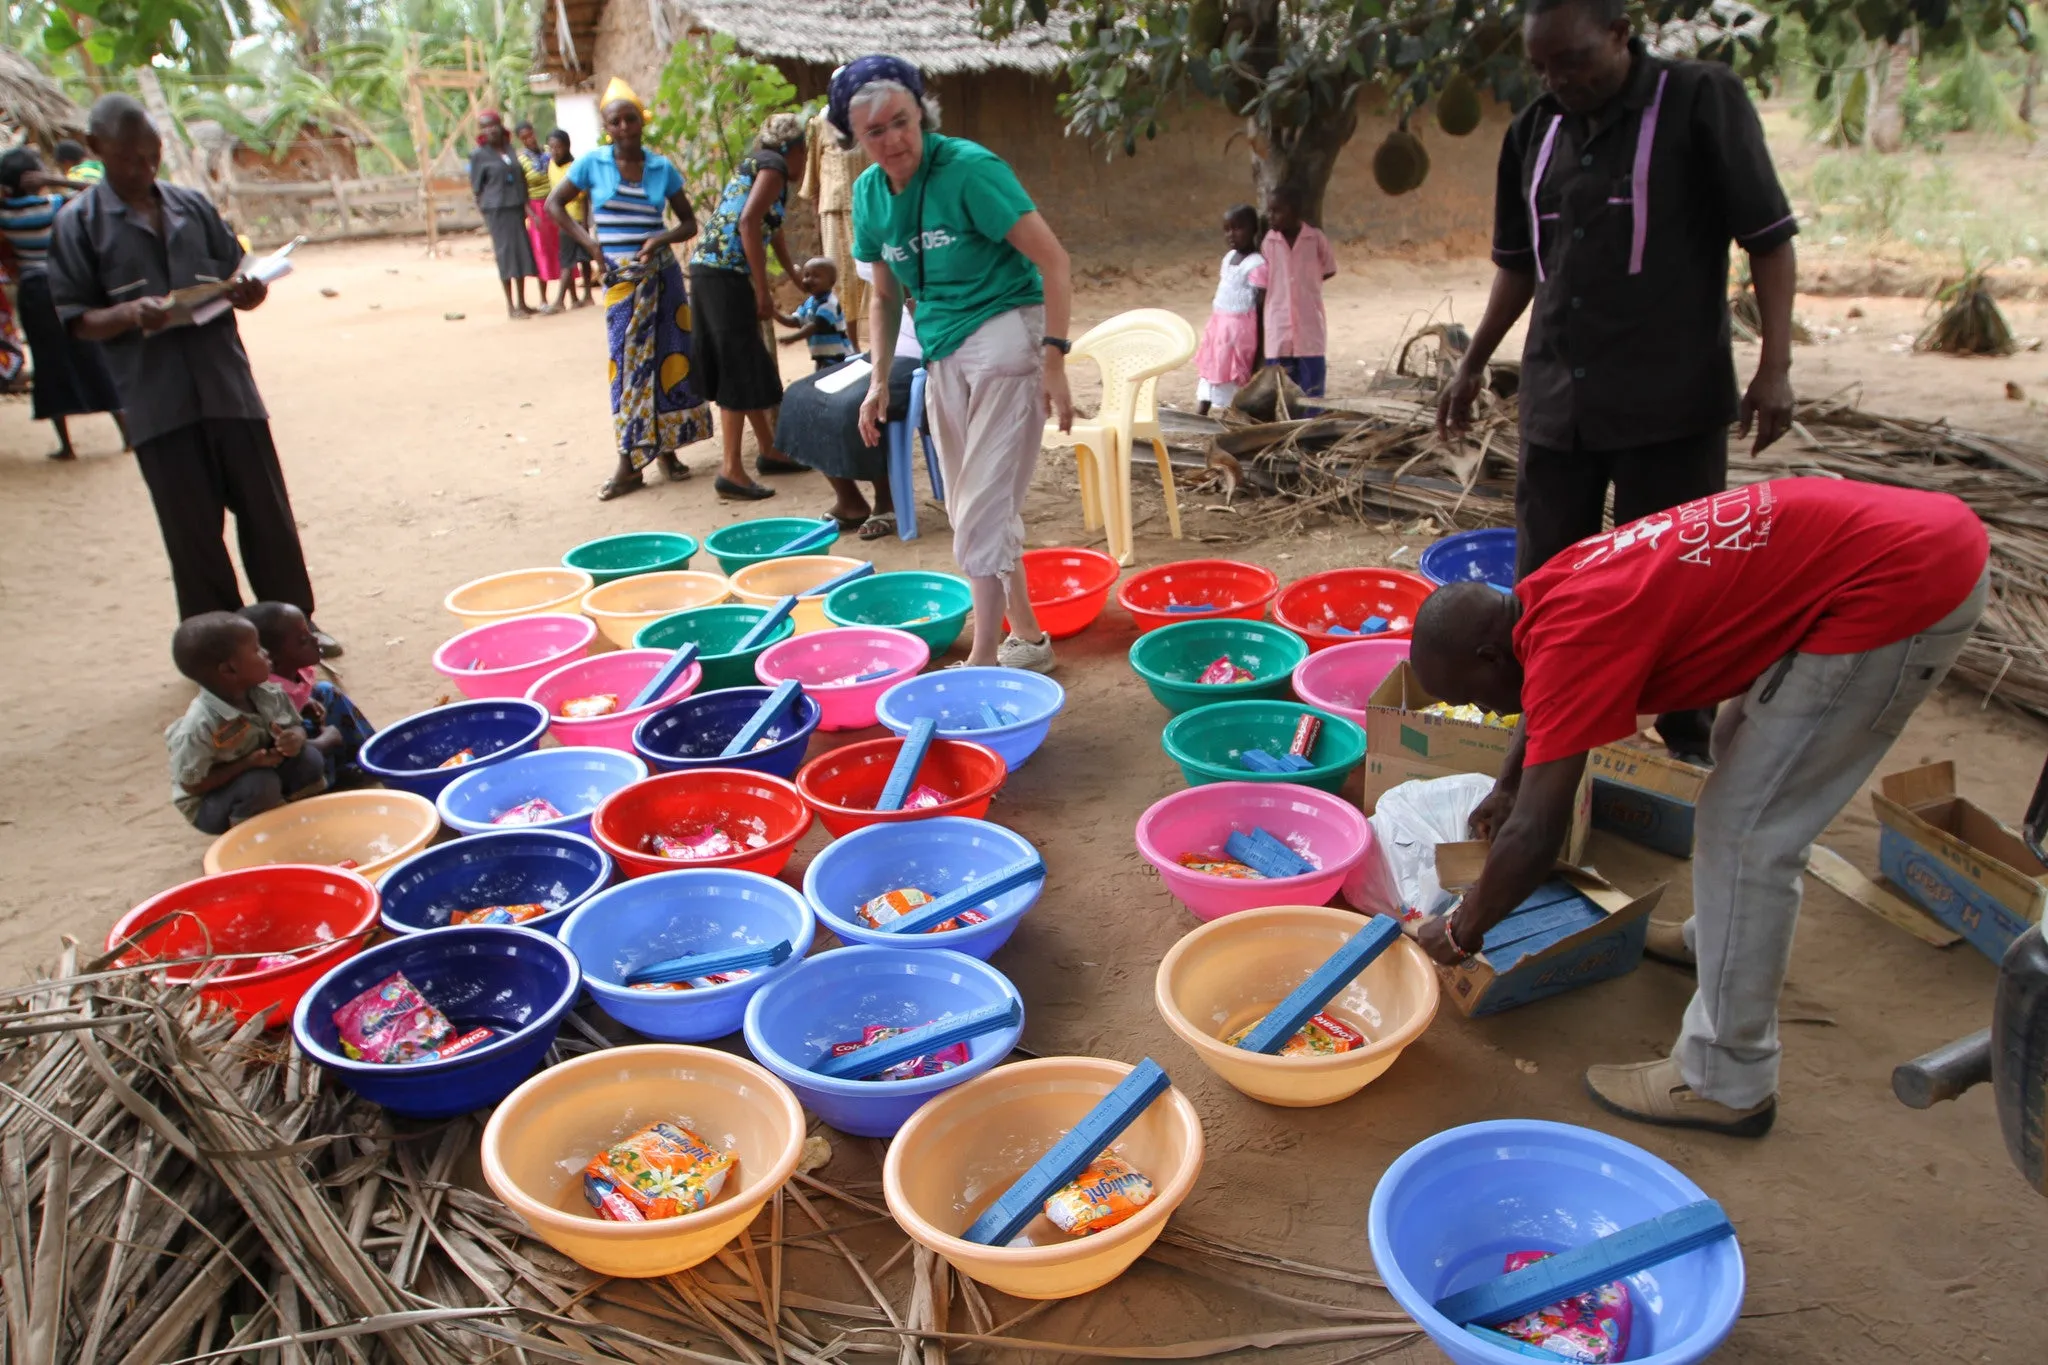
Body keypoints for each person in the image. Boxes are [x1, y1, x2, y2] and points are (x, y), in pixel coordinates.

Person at [1405, 478, 1989, 1137]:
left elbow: (1537, 833)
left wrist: (1461, 930)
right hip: (1892, 542)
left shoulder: (1573, 642)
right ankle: (1718, 934)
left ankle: (1726, 1077)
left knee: (1749, 833)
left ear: (1489, 654)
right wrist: (1509, 782)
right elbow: (1542, 706)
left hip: (1901, 583)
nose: (1486, 711)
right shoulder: (1544, 595)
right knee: (1735, 747)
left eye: (1476, 697)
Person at [1436, 0, 1799, 765]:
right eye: (1541, 66)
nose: (1557, 80)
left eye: (1572, 61)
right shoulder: (1534, 132)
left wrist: (1774, 367)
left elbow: (1767, 238)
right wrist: (1473, 363)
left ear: (1620, 36)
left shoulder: (1700, 101)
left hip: (1670, 400)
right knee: (1546, 581)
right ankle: (1549, 729)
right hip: (1558, 402)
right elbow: (1519, 266)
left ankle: (1685, 740)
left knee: (1677, 580)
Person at [51, 95, 339, 655]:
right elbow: (76, 319)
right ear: (96, 150)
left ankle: (294, 628)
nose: (144, 170)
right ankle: (223, 650)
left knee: (267, 516)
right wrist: (133, 314)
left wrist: (249, 292)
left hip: (227, 387)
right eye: (129, 159)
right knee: (193, 534)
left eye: (151, 157)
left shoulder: (191, 207)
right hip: (159, 402)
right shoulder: (78, 226)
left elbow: (235, 276)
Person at [840, 55, 1075, 672]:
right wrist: (876, 381)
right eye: (874, 132)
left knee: (976, 508)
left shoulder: (970, 170)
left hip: (1006, 336)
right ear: (854, 139)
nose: (892, 140)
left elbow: (1054, 262)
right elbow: (886, 295)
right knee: (979, 501)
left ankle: (985, 657)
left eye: (902, 122)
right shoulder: (868, 196)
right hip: (942, 345)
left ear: (922, 114)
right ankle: (1027, 637)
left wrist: (1053, 360)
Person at [548, 79, 713, 501]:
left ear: (642, 123)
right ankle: (629, 461)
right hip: (623, 284)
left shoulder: (661, 168)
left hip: (663, 279)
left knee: (669, 362)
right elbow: (554, 205)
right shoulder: (591, 164)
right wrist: (589, 244)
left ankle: (666, 451)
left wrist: (660, 239)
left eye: (630, 119)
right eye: (615, 121)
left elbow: (689, 223)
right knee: (625, 370)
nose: (623, 127)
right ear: (606, 127)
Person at [688, 110, 814, 501]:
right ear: (793, 149)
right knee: (736, 366)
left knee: (744, 361)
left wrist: (793, 276)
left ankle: (769, 450)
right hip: (723, 274)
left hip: (713, 271)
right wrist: (762, 290)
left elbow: (768, 229)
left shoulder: (767, 168)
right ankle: (731, 469)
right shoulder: (774, 167)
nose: (806, 161)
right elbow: (747, 224)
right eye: (805, 153)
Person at [774, 257, 915, 538]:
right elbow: (884, 306)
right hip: (880, 353)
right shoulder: (887, 260)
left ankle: (886, 502)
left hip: (918, 355)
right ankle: (849, 501)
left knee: (853, 406)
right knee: (800, 397)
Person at [0, 146, 126, 459]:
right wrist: (57, 180)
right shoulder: (56, 204)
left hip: (34, 295)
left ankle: (67, 446)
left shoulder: (5, 214)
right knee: (92, 356)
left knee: (49, 364)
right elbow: (99, 191)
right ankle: (129, 434)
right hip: (68, 287)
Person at [166, 611, 332, 835]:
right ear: (229, 670)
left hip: (264, 772)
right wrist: (246, 764)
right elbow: (191, 784)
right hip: (211, 803)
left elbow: (296, 726)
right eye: (256, 649)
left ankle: (304, 820)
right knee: (260, 784)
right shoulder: (199, 727)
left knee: (307, 757)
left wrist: (295, 737)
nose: (265, 654)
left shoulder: (267, 692)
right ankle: (254, 838)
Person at [240, 601, 376, 787]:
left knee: (326, 692)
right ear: (270, 658)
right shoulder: (266, 700)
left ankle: (370, 752)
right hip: (293, 761)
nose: (315, 640)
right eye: (303, 640)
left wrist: (309, 703)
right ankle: (331, 782)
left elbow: (304, 695)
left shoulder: (294, 671)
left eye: (310, 633)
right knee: (308, 724)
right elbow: (284, 750)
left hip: (304, 728)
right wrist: (326, 740)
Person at [1249, 185, 1334, 397]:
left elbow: (1328, 269)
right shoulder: (1269, 243)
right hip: (1279, 328)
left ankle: (1309, 427)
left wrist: (1307, 286)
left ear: (1295, 211)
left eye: (1277, 211)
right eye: (1269, 211)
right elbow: (1263, 282)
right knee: (1281, 388)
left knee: (1311, 389)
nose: (1271, 216)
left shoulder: (1315, 240)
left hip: (1309, 327)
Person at [800, 110, 865, 350]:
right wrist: (817, 211)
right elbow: (812, 177)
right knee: (839, 277)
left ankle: (882, 342)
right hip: (835, 208)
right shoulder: (819, 124)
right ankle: (850, 343)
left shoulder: (870, 118)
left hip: (868, 206)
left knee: (871, 276)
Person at [1194, 204, 1265, 415]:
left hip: (1239, 330)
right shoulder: (1228, 258)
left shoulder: (1256, 264)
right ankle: (1203, 407)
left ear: (1253, 229)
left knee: (1232, 369)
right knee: (1212, 364)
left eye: (1238, 228)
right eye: (1227, 229)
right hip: (1219, 325)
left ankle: (1230, 411)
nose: (1231, 234)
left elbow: (1261, 305)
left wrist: (1260, 343)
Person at [470, 111, 540, 319]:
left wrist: (527, 207)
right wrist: (485, 211)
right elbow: (476, 188)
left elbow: (520, 179)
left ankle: (522, 302)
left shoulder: (509, 149)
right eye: (484, 127)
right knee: (505, 256)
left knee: (521, 254)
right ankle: (511, 306)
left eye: (492, 125)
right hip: (497, 211)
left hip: (516, 208)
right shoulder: (479, 155)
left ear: (501, 126)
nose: (489, 129)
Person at [546, 129, 597, 309]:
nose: (554, 151)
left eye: (558, 147)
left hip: (576, 219)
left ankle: (566, 299)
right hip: (563, 219)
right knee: (568, 258)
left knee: (581, 259)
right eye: (551, 147)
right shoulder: (551, 165)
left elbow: (584, 197)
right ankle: (574, 298)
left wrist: (584, 221)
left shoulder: (575, 167)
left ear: (567, 147)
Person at [514, 119, 563, 308]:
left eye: (530, 135)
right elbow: (522, 192)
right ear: (520, 140)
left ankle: (568, 294)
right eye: (524, 138)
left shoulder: (549, 153)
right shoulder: (522, 161)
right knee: (542, 252)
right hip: (536, 209)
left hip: (555, 205)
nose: (529, 140)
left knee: (561, 249)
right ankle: (543, 298)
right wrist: (531, 215)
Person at [777, 258, 852, 370]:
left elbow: (815, 326)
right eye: (806, 275)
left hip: (838, 358)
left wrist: (793, 338)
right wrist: (774, 313)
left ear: (831, 282)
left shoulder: (830, 303)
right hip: (821, 357)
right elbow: (794, 321)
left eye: (816, 276)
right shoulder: (809, 302)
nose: (809, 280)